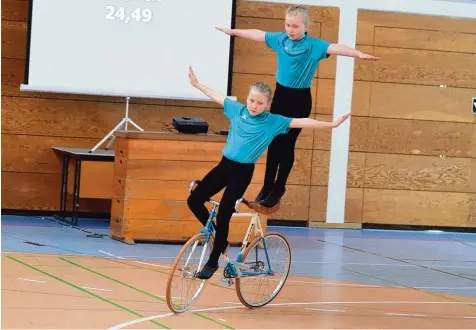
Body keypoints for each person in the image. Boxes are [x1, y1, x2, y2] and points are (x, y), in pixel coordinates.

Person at [186, 66, 350, 279]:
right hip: (223, 166)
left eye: (260, 103)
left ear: (268, 105)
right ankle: (220, 239)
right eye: (252, 101)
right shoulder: (237, 110)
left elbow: (302, 121)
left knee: (225, 211)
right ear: (247, 99)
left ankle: (213, 261)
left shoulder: (273, 121)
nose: (255, 106)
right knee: (194, 200)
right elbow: (217, 95)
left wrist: (332, 124)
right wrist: (197, 85)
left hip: (242, 172)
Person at [216, 5, 379, 209]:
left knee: (286, 145)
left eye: (294, 26)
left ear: (306, 26)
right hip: (280, 96)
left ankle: (279, 187)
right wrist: (233, 32)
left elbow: (336, 47)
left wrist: (358, 54)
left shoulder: (313, 46)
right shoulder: (281, 39)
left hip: (299, 99)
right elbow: (258, 34)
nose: (290, 29)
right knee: (273, 141)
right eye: (287, 25)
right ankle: (267, 186)